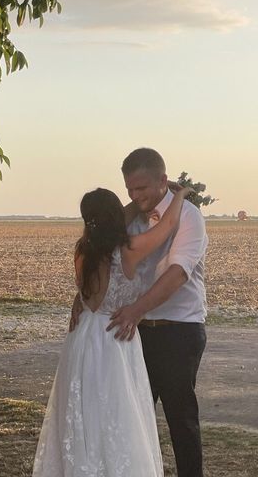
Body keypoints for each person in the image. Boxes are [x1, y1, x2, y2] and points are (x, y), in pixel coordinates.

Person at [32, 184, 193, 477]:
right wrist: (180, 195)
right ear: (116, 216)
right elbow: (168, 225)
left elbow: (85, 289)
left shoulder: (83, 250)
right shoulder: (128, 251)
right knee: (117, 415)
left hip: (82, 338)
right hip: (113, 340)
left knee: (84, 414)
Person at [72, 148, 209, 477]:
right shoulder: (127, 220)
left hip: (178, 329)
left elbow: (177, 273)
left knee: (181, 418)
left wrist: (135, 309)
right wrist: (82, 301)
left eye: (142, 188)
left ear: (163, 180)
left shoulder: (189, 217)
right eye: (129, 190)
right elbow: (102, 248)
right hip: (132, 333)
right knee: (131, 416)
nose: (135, 196)